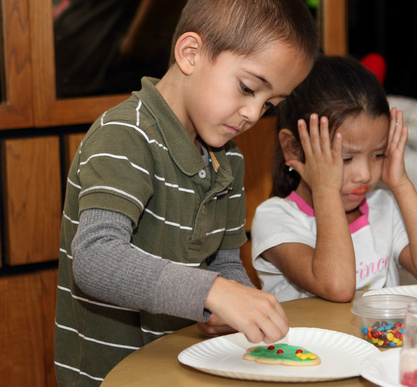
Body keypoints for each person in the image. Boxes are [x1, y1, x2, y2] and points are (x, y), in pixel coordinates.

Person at [54, 0, 319, 384]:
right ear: (190, 53)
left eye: (269, 105)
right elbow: (95, 259)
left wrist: (236, 310)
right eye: (247, 88)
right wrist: (215, 293)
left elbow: (225, 265)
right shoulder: (125, 135)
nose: (252, 114)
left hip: (183, 370)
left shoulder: (228, 159)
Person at [251, 56, 417, 303]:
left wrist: (401, 184)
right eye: (346, 159)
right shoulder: (276, 217)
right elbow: (337, 286)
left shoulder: (384, 207)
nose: (365, 175)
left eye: (378, 154)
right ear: (293, 148)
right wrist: (326, 188)